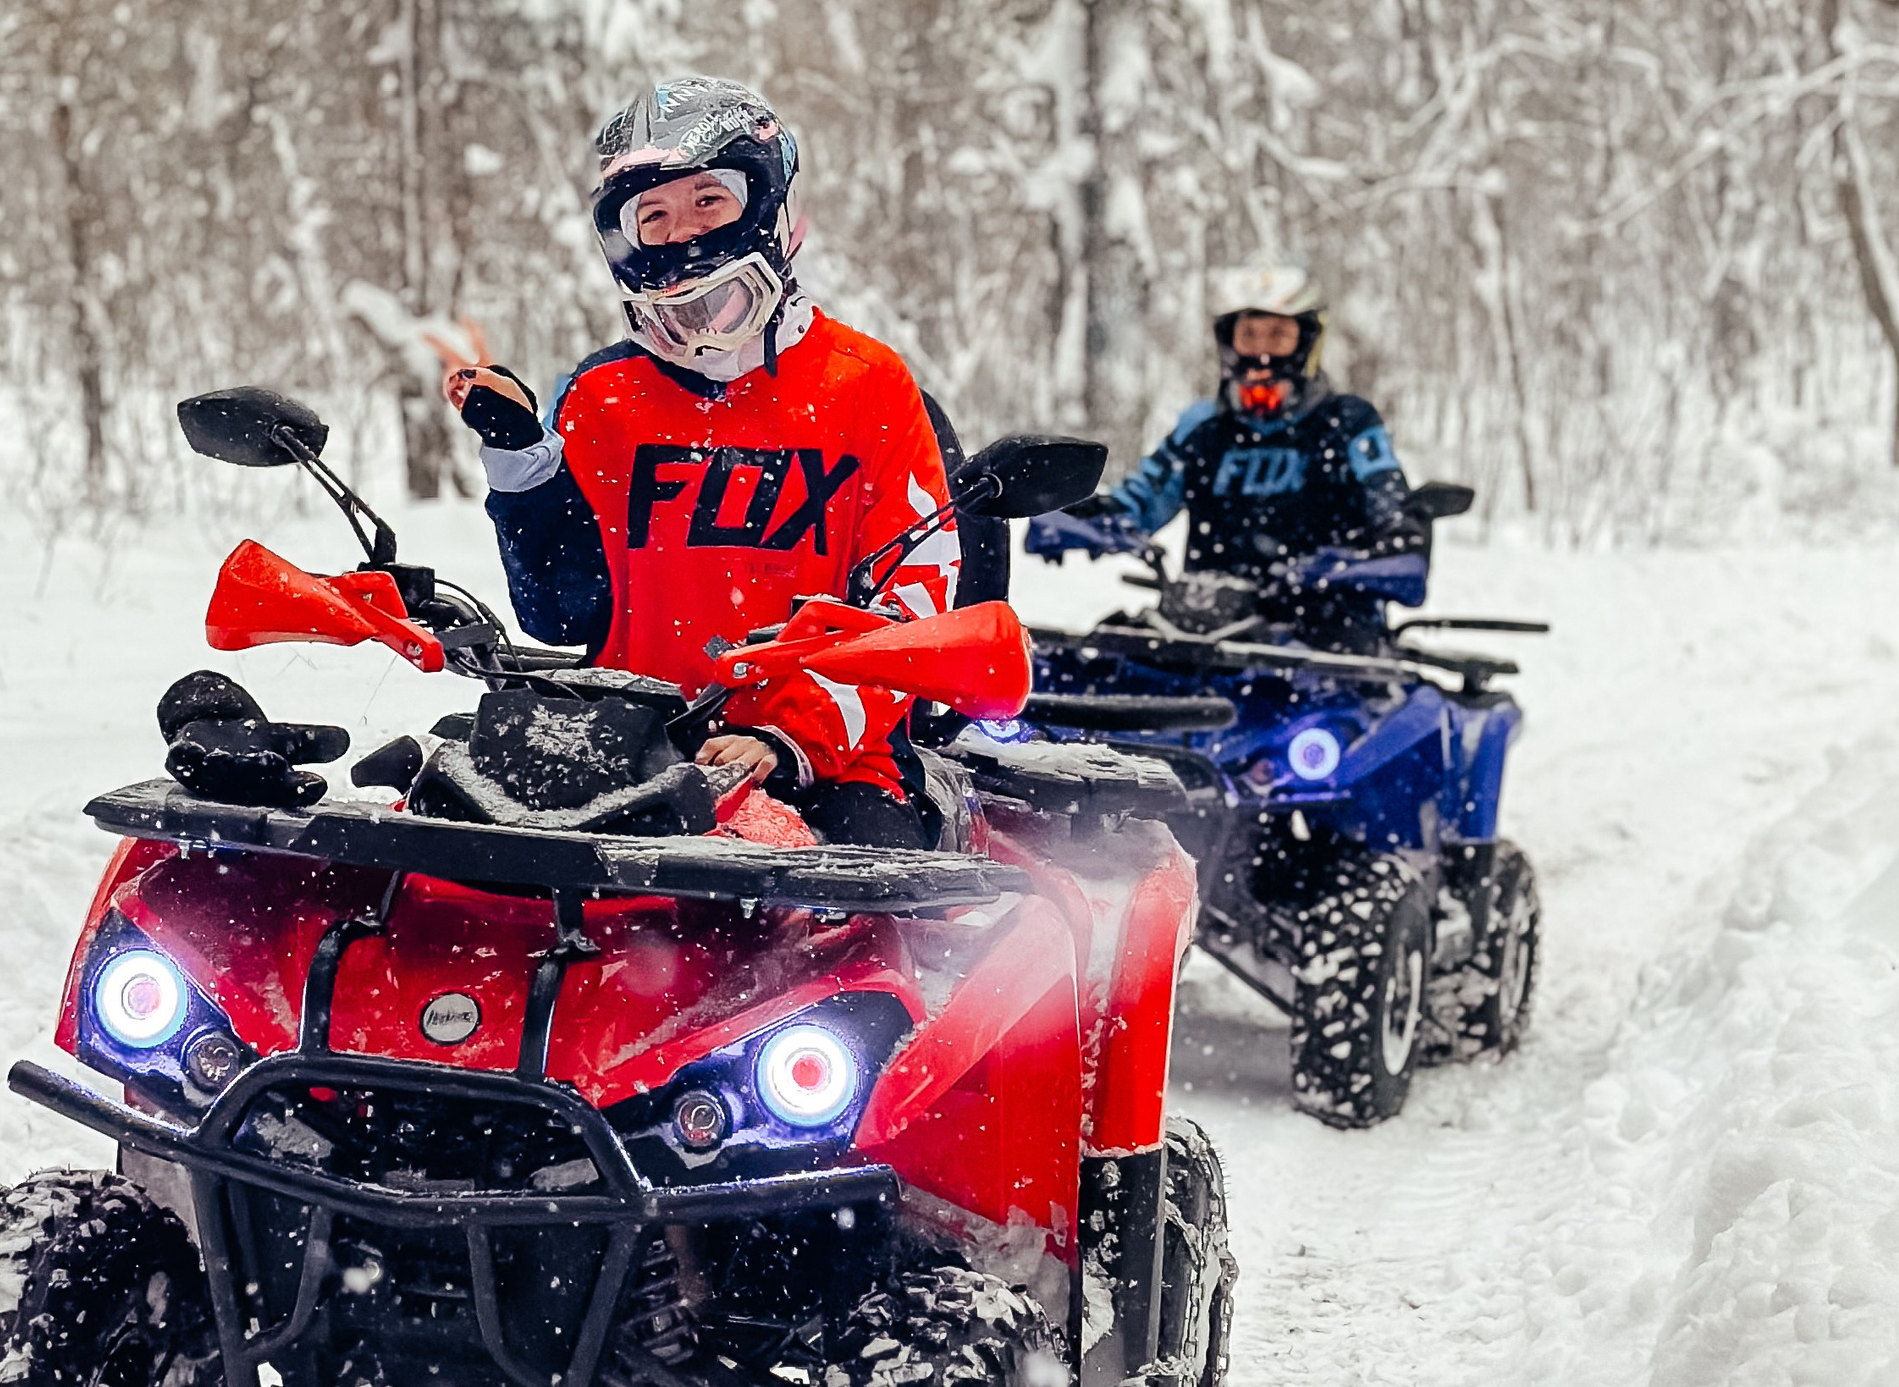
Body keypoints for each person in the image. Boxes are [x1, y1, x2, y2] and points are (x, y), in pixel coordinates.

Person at [443, 75, 958, 847]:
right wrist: (524, 468)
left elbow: (910, 610)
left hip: (832, 768)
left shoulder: (867, 385)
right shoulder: (603, 394)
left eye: (708, 200)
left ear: (769, 206)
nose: (681, 233)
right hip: (632, 758)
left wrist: (790, 740)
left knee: (859, 937)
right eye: (653, 216)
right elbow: (564, 610)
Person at [1028, 262, 1414, 604]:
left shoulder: (1348, 423)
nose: (1262, 352)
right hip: (1212, 630)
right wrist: (1074, 513)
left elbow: (1390, 510)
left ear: (1307, 341)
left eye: (1278, 335)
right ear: (1229, 340)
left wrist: (1383, 548)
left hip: (1325, 633)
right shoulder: (1204, 427)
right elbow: (1142, 501)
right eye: (1249, 335)